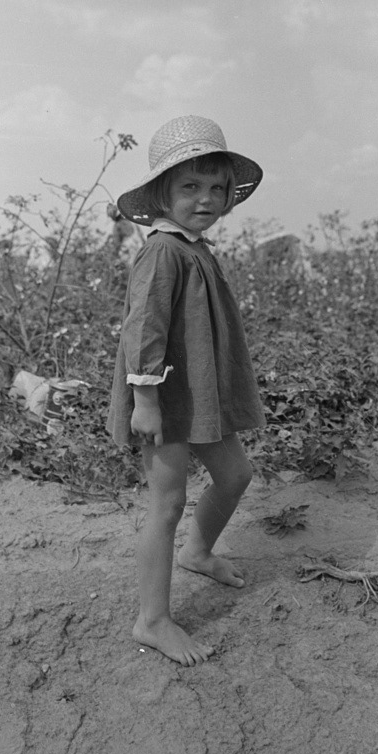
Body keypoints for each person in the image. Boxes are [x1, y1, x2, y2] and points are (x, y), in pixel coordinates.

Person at [106, 115, 265, 666]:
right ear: (162, 195)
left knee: (236, 474)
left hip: (198, 395)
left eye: (216, 188)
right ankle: (152, 620)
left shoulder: (195, 248)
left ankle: (199, 552)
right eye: (189, 187)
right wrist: (146, 402)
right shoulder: (163, 251)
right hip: (164, 398)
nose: (206, 199)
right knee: (167, 502)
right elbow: (142, 327)